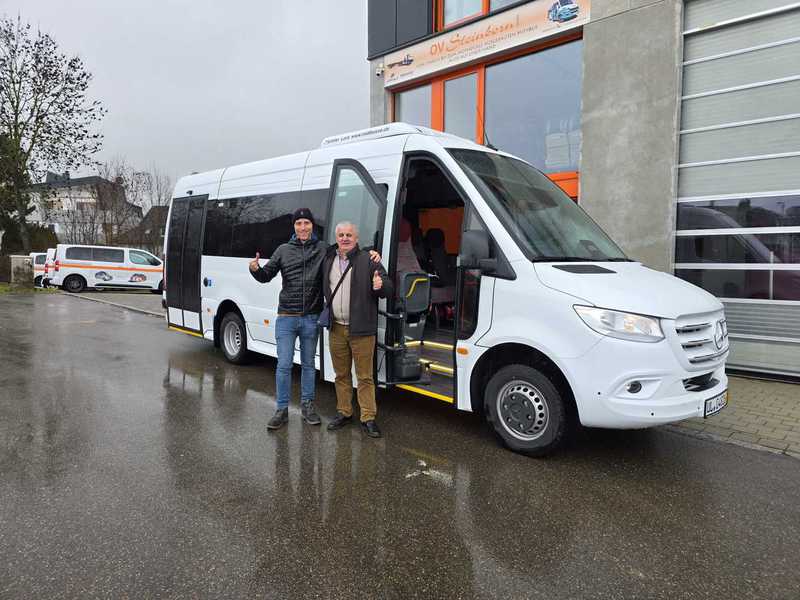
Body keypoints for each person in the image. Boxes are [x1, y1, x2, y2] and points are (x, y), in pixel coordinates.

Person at [249, 209, 381, 430]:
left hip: (311, 317)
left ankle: (307, 407)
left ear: (312, 226)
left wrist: (371, 253)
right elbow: (265, 276)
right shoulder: (283, 250)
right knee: (284, 365)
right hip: (287, 317)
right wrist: (255, 269)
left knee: (309, 365)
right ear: (294, 226)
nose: (303, 227)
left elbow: (347, 248)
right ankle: (281, 410)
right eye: (298, 223)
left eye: (307, 223)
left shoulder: (323, 249)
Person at [324, 221, 392, 438]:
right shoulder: (328, 259)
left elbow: (388, 288)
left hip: (361, 330)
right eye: (341, 235)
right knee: (341, 374)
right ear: (336, 238)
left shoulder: (369, 260)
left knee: (364, 377)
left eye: (349, 235)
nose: (345, 238)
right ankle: (344, 412)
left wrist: (381, 286)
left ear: (356, 238)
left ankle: (368, 417)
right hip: (336, 328)